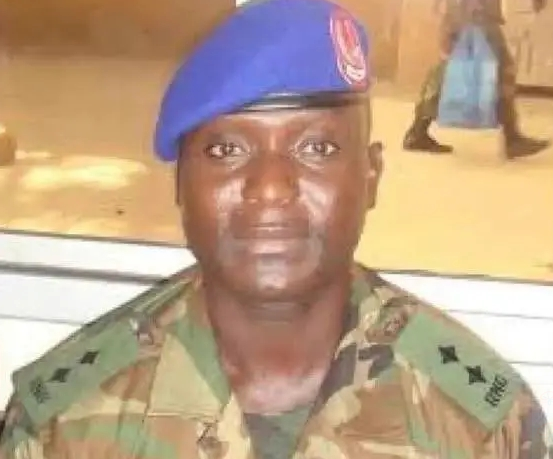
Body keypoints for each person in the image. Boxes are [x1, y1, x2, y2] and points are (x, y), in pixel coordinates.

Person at [1, 0, 552, 457]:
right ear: (180, 185)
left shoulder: (479, 429)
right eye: (226, 150)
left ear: (371, 176)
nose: (270, 187)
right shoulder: (65, 426)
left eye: (317, 148)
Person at [402, 0, 550, 159]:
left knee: (451, 71)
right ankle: (512, 138)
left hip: (467, 13)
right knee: (500, 70)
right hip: (476, 13)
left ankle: (417, 131)